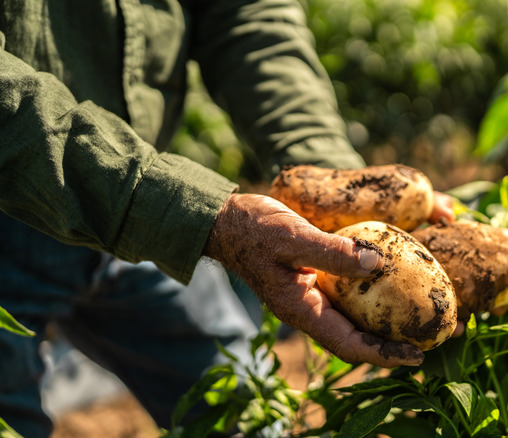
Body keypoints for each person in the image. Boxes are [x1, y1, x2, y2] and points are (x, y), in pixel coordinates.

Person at [0, 0, 454, 436]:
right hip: (56, 208)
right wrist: (206, 218)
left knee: (247, 412)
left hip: (150, 217)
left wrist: (333, 182)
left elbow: (243, 11)